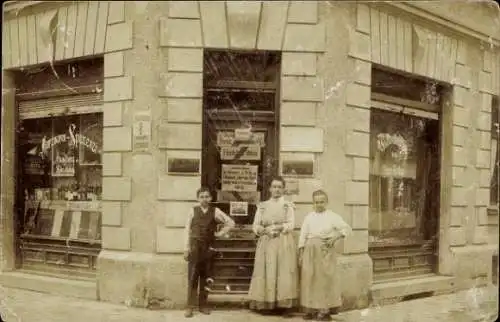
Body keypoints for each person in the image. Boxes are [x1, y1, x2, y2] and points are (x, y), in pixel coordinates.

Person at [248, 176, 299, 316]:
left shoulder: (287, 206)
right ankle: (266, 303)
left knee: (283, 271)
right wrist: (263, 230)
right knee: (267, 271)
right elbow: (255, 225)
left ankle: (284, 305)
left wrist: (278, 228)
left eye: (280, 187)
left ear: (284, 189)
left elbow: (291, 224)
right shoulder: (263, 206)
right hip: (266, 241)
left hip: (283, 241)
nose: (277, 190)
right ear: (270, 189)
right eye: (274, 187)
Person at [298, 190, 352, 321]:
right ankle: (310, 309)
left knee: (324, 281)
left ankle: (324, 310)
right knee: (309, 279)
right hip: (310, 251)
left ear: (326, 202)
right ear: (313, 203)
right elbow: (303, 235)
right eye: (316, 202)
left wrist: (336, 237)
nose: (319, 204)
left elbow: (347, 229)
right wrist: (301, 252)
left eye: (322, 202)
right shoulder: (309, 216)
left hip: (325, 251)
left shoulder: (332, 216)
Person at [183, 187, 235, 318]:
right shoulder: (192, 211)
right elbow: (186, 230)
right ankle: (189, 307)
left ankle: (203, 305)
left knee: (207, 277)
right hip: (195, 247)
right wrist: (186, 248)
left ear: (211, 198)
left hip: (209, 248)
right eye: (202, 196)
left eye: (207, 196)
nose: (204, 199)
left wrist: (219, 233)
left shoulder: (215, 211)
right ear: (197, 198)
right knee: (192, 277)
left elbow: (230, 222)